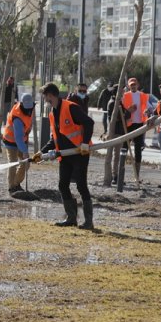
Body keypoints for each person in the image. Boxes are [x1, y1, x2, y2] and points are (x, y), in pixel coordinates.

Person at [32, 83, 95, 230]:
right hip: (65, 155)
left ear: (51, 95)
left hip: (80, 153)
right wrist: (41, 153)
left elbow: (89, 122)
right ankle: (71, 218)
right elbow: (55, 139)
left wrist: (85, 143)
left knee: (81, 185)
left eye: (45, 96)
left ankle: (88, 222)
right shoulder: (53, 114)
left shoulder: (71, 107)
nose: (45, 99)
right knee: (63, 185)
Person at [121, 77, 157, 184]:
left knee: (138, 150)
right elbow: (121, 111)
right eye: (131, 84)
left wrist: (148, 111)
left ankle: (136, 176)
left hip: (139, 125)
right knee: (124, 149)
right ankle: (119, 176)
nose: (133, 86)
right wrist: (128, 111)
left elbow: (150, 109)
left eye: (134, 84)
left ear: (138, 85)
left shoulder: (143, 96)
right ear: (128, 86)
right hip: (128, 125)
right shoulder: (125, 96)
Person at [2, 93, 34, 194]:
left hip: (22, 139)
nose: (29, 110)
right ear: (21, 104)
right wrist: (24, 151)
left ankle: (16, 183)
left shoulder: (31, 108)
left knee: (26, 163)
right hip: (11, 141)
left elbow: (29, 121)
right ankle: (12, 188)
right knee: (13, 163)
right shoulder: (17, 117)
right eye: (27, 108)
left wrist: (29, 129)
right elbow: (18, 138)